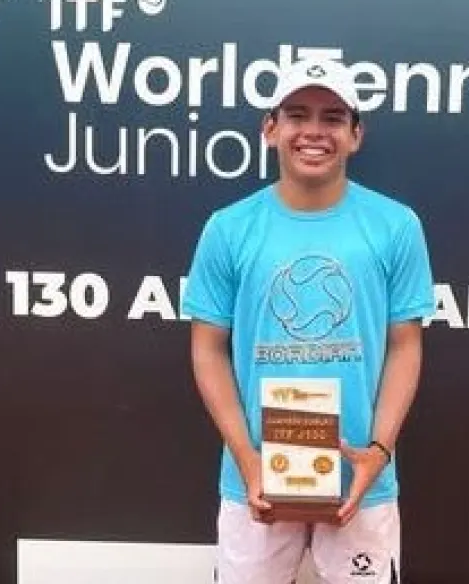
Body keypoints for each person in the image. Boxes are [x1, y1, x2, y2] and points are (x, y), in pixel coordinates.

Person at [181, 57, 435, 584]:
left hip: (360, 478)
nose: (314, 131)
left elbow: (405, 345)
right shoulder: (228, 229)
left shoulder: (396, 225)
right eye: (297, 115)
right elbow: (207, 348)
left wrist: (378, 453)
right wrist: (248, 459)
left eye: (333, 117)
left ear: (356, 135)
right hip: (255, 477)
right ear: (270, 129)